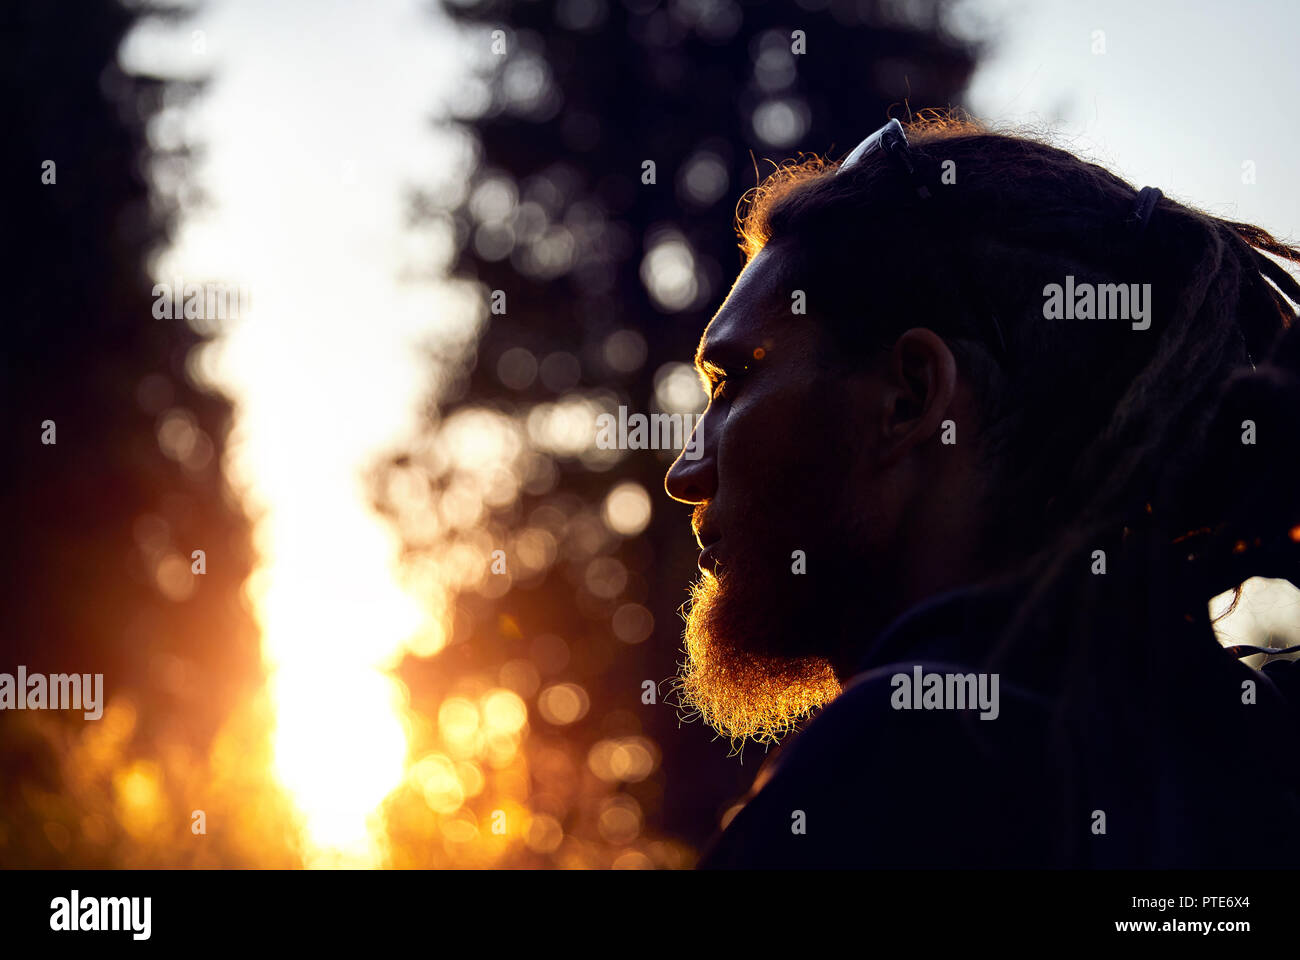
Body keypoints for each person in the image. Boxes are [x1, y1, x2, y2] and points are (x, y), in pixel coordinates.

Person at [663, 114, 1300, 868]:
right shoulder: (1246, 756)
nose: (685, 474)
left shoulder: (905, 757)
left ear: (909, 396)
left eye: (732, 381)